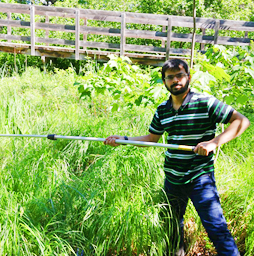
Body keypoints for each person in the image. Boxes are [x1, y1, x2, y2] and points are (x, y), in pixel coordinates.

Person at [104, 59, 250, 255]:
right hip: (172, 178)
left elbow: (242, 121)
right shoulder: (162, 110)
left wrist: (213, 143)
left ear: (188, 77)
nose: (175, 81)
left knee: (216, 227)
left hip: (200, 177)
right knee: (171, 228)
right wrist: (122, 139)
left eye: (179, 75)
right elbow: (152, 138)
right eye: (170, 77)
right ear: (164, 82)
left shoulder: (205, 102)